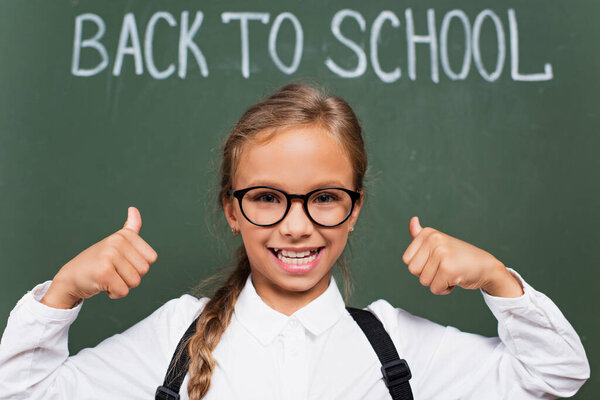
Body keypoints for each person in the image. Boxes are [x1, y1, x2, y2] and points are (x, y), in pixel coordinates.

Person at [0, 83, 590, 400]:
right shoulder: (173, 339)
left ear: (355, 209)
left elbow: (557, 373)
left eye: (325, 197)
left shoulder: (400, 350)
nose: (297, 225)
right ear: (232, 209)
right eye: (266, 197)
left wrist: (497, 280)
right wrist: (64, 292)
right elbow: (23, 391)